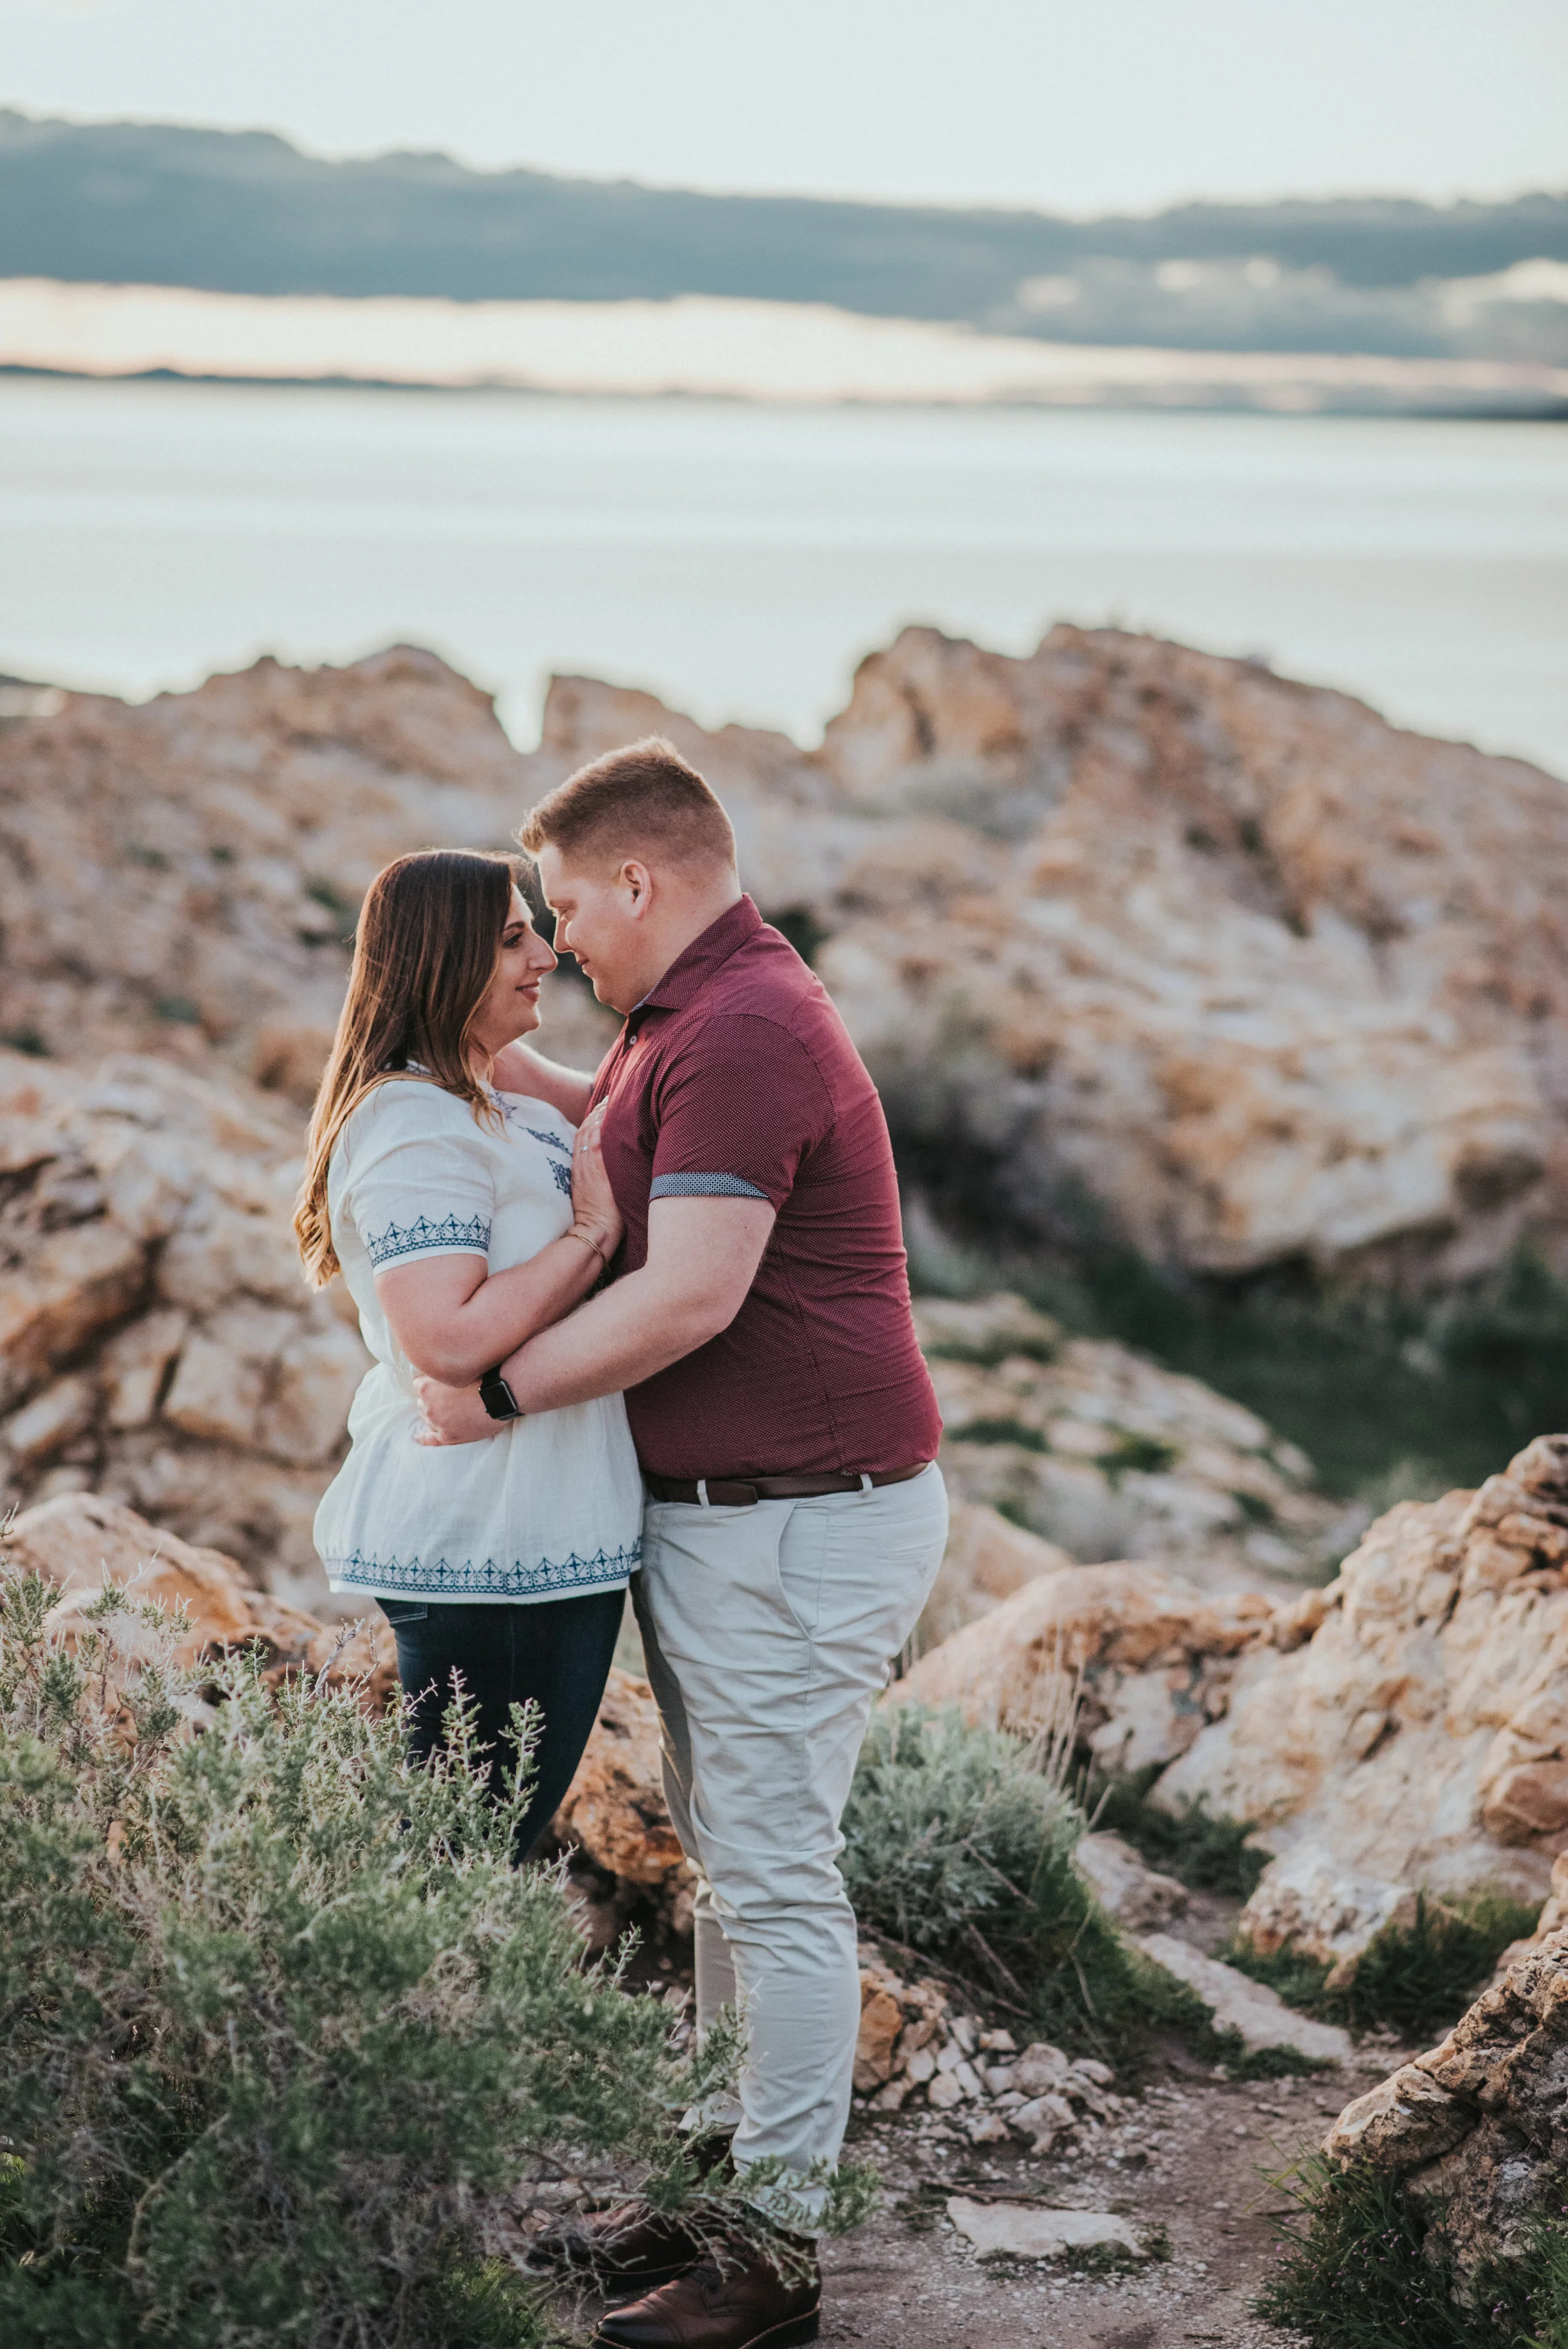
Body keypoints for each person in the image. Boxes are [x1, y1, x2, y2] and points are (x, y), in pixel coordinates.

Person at [415, 743, 948, 2349]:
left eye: (566, 908)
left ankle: (769, 2262)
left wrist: (489, 1387)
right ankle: (724, 2189)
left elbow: (695, 1289)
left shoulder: (745, 1025)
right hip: (753, 1524)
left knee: (777, 1885)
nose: (558, 942)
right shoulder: (684, 1020)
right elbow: (629, 1144)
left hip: (803, 1524)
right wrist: (497, 1075)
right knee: (735, 1874)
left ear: (637, 882)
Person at [295, 847, 643, 1857]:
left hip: (540, 1540)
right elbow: (445, 1339)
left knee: (474, 1852)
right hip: (492, 1551)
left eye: (538, 927)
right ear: (446, 964)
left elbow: (630, 1117)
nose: (548, 953)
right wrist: (588, 1240)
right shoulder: (411, 1124)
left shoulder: (489, 1101)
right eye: (510, 939)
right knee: (458, 1861)